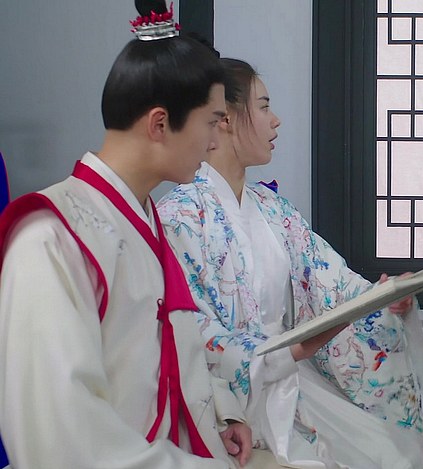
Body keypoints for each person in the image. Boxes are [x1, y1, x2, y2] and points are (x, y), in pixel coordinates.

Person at [0, 2, 265, 467]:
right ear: (160, 123)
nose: (214, 142)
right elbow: (60, 436)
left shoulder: (146, 218)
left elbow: (173, 343)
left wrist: (219, 410)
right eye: (211, 122)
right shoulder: (51, 237)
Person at [156, 58, 423, 469]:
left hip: (291, 378)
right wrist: (277, 354)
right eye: (263, 106)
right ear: (224, 118)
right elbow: (189, 328)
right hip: (229, 397)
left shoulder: (273, 209)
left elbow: (329, 279)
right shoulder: (180, 216)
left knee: (401, 454)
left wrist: (384, 297)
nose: (275, 120)